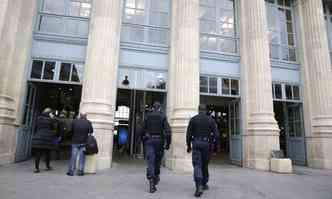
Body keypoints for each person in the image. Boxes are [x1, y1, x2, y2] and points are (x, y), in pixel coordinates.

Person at [186, 105, 220, 197]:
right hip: (206, 145)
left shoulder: (193, 119)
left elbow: (188, 134)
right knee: (204, 165)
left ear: (198, 110)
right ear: (206, 110)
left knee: (197, 165)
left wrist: (189, 146)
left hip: (196, 143)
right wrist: (216, 148)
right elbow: (216, 135)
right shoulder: (211, 120)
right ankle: (204, 183)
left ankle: (199, 186)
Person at [142, 102, 171, 193]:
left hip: (149, 141)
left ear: (153, 108)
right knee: (157, 161)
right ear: (159, 108)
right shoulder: (162, 116)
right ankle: (155, 177)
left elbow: (142, 129)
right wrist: (168, 143)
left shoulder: (147, 116)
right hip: (159, 141)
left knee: (151, 161)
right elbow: (168, 131)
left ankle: (151, 181)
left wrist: (142, 141)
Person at [31, 108, 58, 173]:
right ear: (49, 113)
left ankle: (36, 168)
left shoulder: (38, 118)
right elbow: (54, 128)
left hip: (38, 137)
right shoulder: (51, 120)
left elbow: (35, 127)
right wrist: (53, 118)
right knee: (47, 153)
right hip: (47, 139)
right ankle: (47, 166)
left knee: (38, 154)